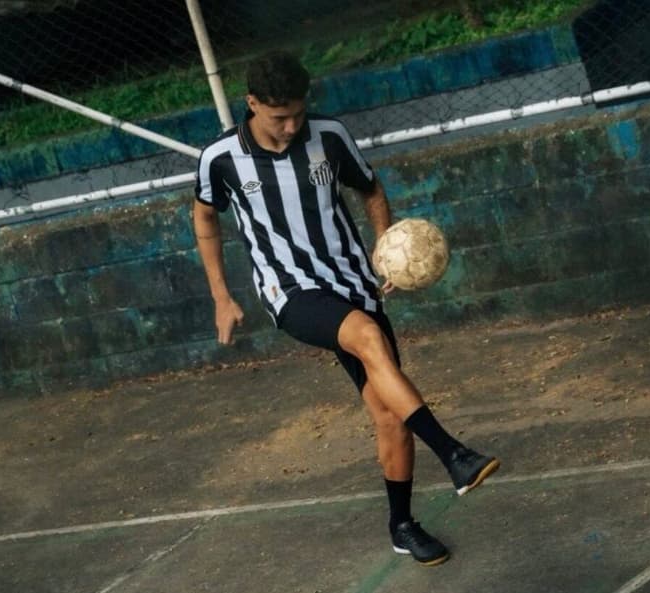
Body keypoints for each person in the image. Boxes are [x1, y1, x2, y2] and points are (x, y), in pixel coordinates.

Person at [192, 50, 499, 566]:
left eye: (297, 113)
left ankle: (402, 526)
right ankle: (453, 452)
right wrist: (221, 297)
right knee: (367, 338)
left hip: (355, 284)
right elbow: (205, 220)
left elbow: (370, 188)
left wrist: (386, 249)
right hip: (290, 291)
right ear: (251, 105)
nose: (291, 126)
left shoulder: (329, 136)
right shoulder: (220, 159)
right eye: (278, 117)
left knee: (388, 412)